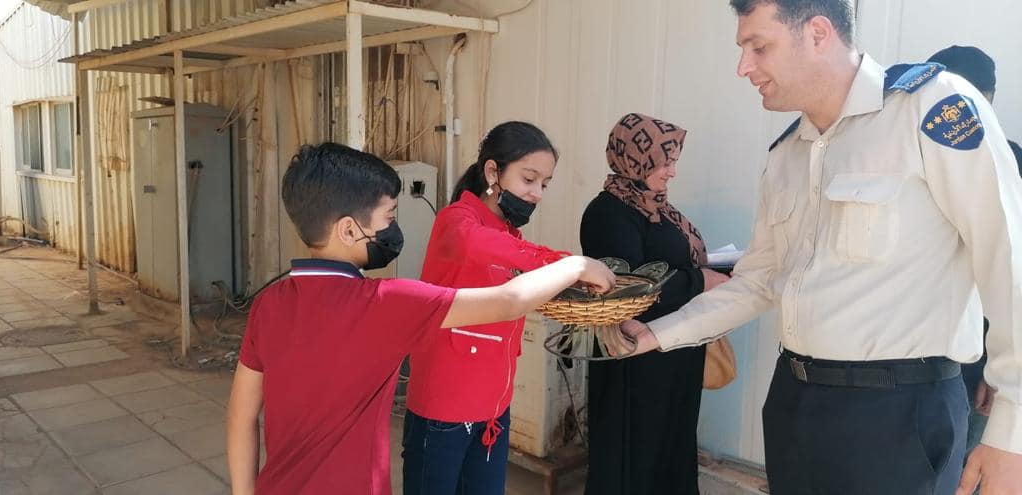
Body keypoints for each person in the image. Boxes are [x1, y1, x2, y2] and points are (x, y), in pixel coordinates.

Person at [619, 1, 1022, 494]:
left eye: (758, 47)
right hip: (794, 402)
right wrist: (656, 334)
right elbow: (759, 280)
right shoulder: (787, 155)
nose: (743, 67)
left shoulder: (930, 107)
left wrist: (1012, 432)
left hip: (897, 416)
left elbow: (1009, 257)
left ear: (817, 33)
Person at [225, 142, 616, 495]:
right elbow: (509, 301)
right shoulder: (385, 302)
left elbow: (242, 418)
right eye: (389, 216)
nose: (393, 229)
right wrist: (577, 265)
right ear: (348, 229)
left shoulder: (267, 304)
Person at [400, 121, 571, 494]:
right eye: (529, 179)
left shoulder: (509, 234)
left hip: (493, 405)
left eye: (544, 184)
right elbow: (481, 245)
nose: (537, 193)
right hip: (444, 406)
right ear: (493, 171)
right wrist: (570, 264)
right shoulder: (457, 221)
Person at [580, 113, 729, 495]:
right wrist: (700, 280)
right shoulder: (608, 212)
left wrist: (714, 272)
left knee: (671, 446)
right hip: (636, 357)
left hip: (676, 350)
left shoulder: (659, 211)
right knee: (637, 451)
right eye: (666, 162)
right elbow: (627, 285)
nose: (672, 172)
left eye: (674, 161)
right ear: (636, 158)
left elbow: (671, 264)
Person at [927, 44, 1022, 464]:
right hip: (915, 353)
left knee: (964, 468)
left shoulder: (1012, 163)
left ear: (988, 97)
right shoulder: (915, 156)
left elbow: (1010, 274)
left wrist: (997, 370)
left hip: (974, 355)